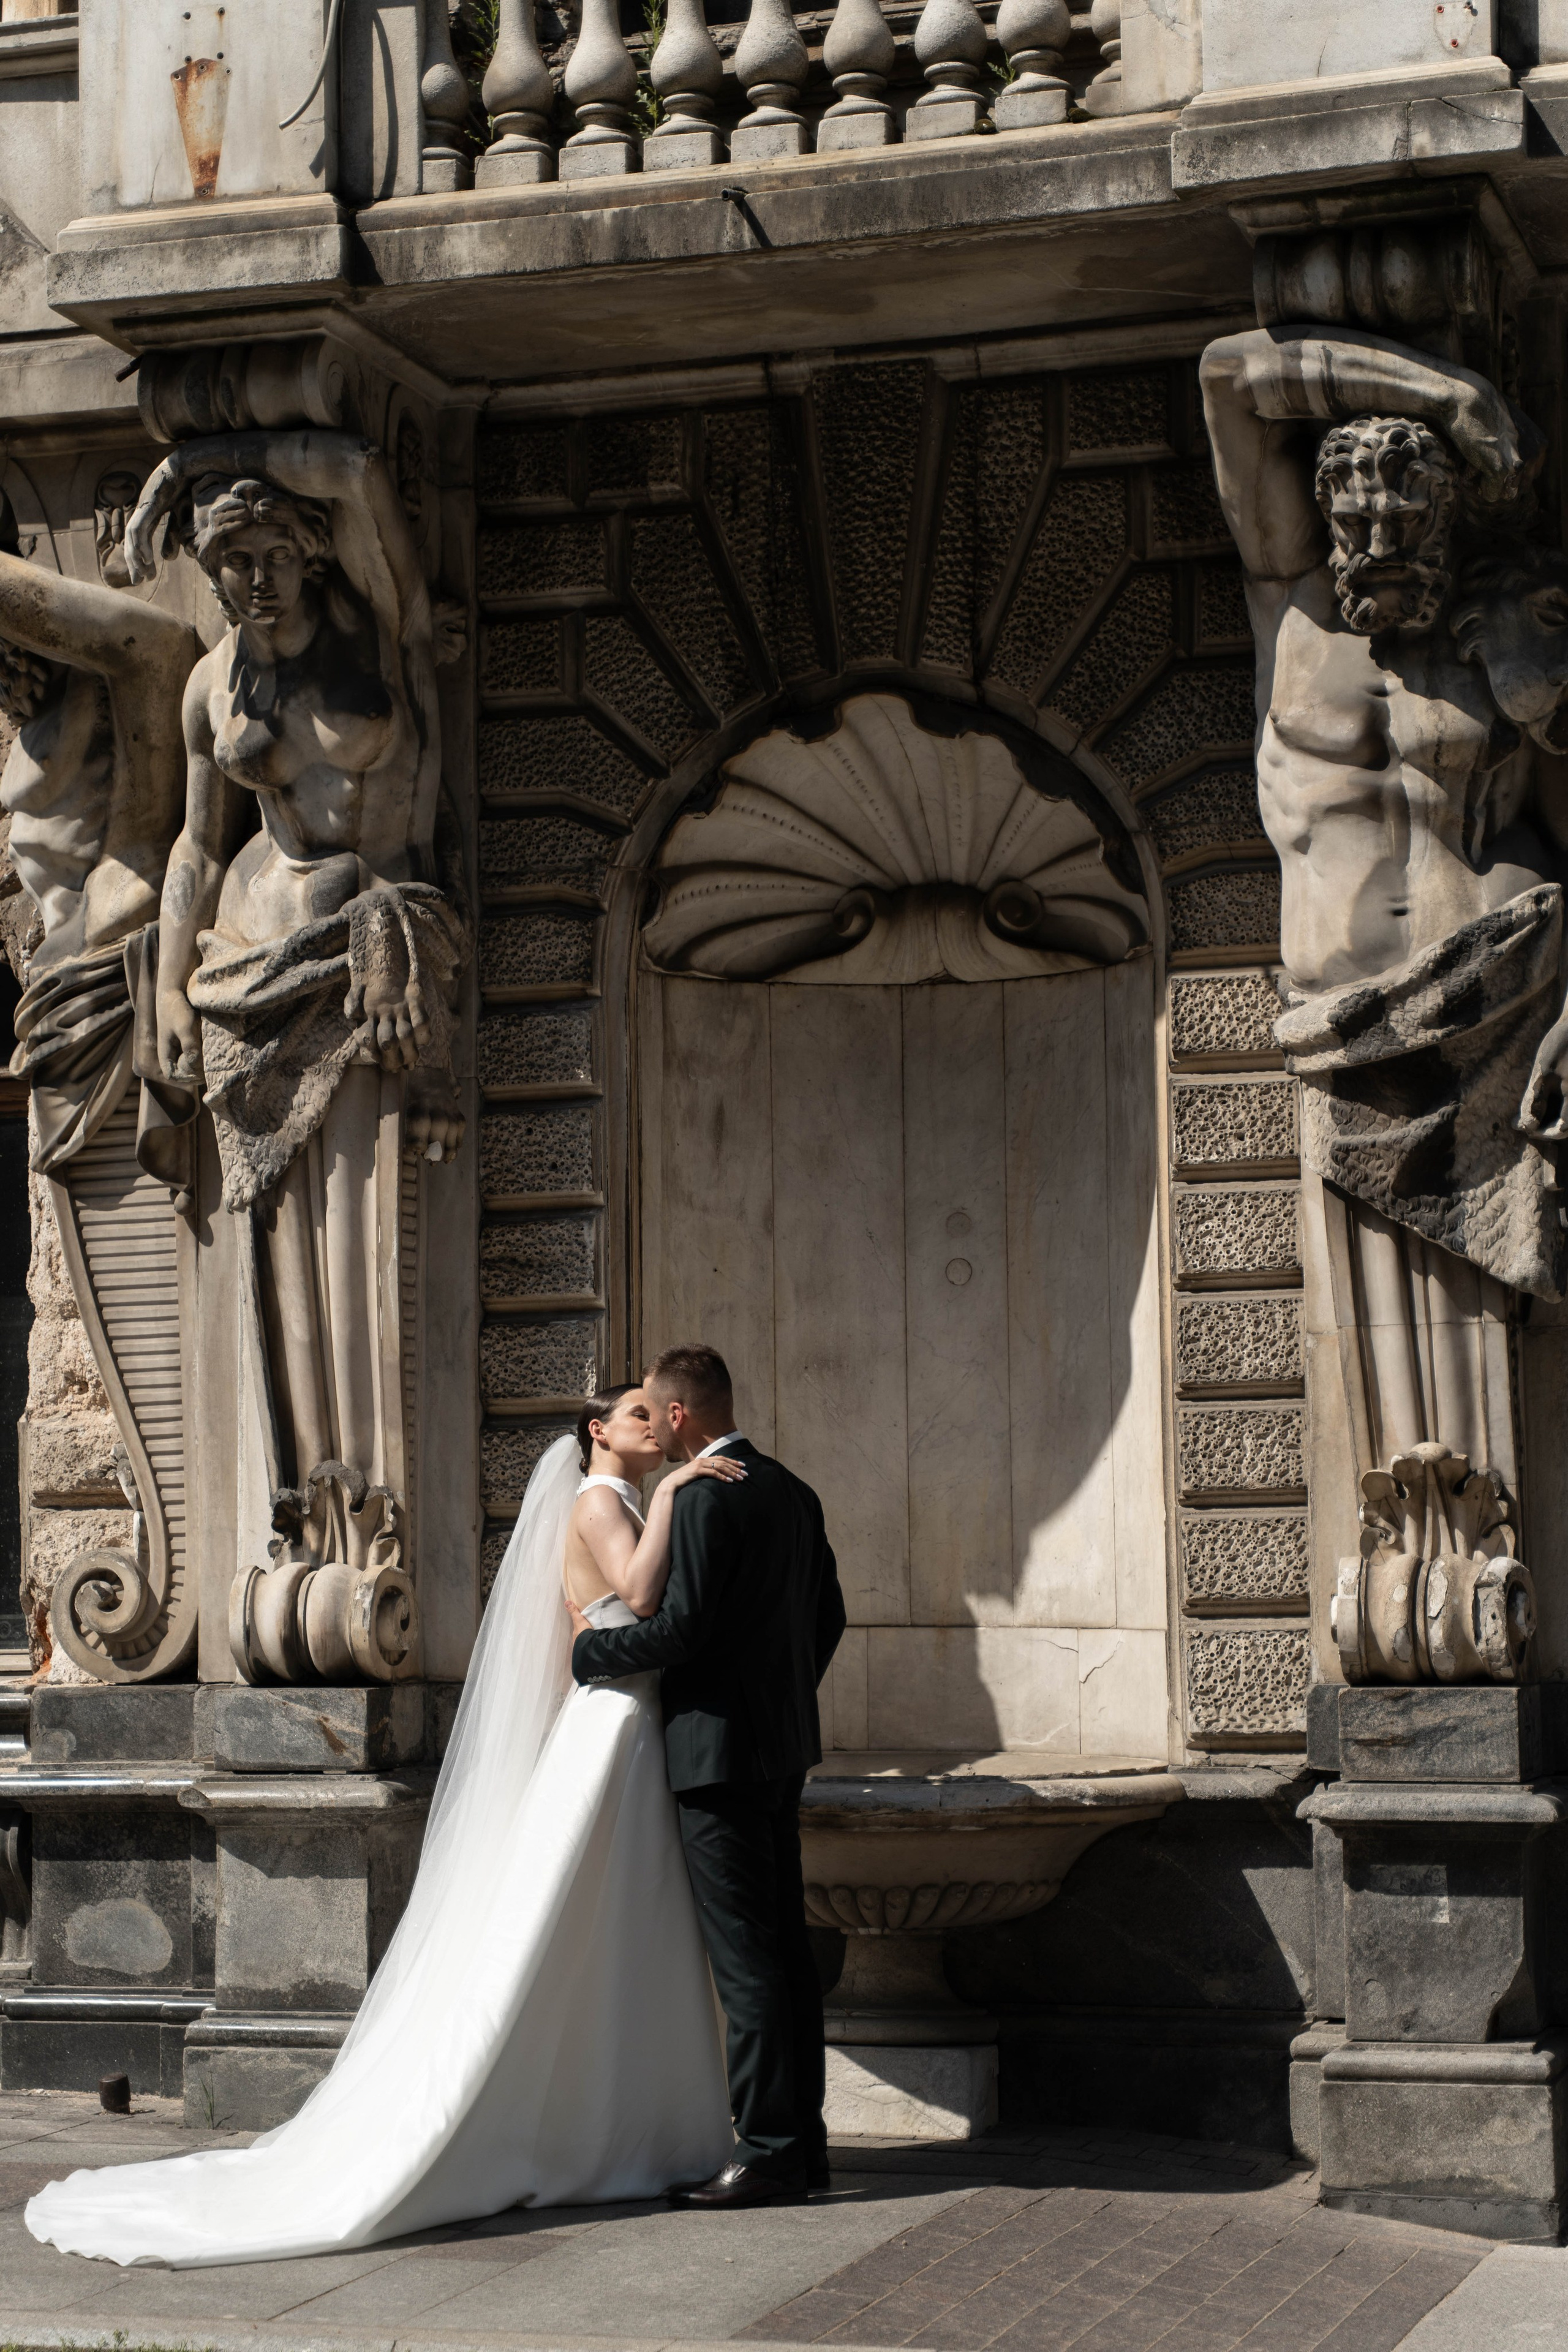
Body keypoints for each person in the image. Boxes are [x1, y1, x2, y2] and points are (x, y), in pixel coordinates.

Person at [24, 1387, 744, 2266]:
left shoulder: (617, 1500)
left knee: (616, 1921)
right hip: (618, 1724)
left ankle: (622, 2118)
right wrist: (676, 1496)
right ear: (598, 1432)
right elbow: (636, 1590)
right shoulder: (605, 1502)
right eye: (637, 1414)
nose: (654, 1425)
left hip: (620, 1720)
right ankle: (595, 2124)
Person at [1199, 325, 1568, 1472]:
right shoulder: (1292, 608)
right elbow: (1227, 378)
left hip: (1495, 1002)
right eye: (1354, 521)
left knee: (1490, 1340)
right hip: (1346, 1019)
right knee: (1381, 1358)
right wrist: (1442, 392)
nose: (1378, 544)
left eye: (1408, 521)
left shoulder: (1487, 637)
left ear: (1450, 519)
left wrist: (1537, 688)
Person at [571, 1341, 847, 2209]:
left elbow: (679, 1632)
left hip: (711, 1755)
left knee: (746, 1962)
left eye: (658, 1411)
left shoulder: (698, 1501)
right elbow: (828, 1619)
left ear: (681, 1414)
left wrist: (591, 1652)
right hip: (780, 1749)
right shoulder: (795, 1492)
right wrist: (781, 1696)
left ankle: (767, 2151)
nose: (655, 1425)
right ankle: (806, 2147)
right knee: (788, 1954)